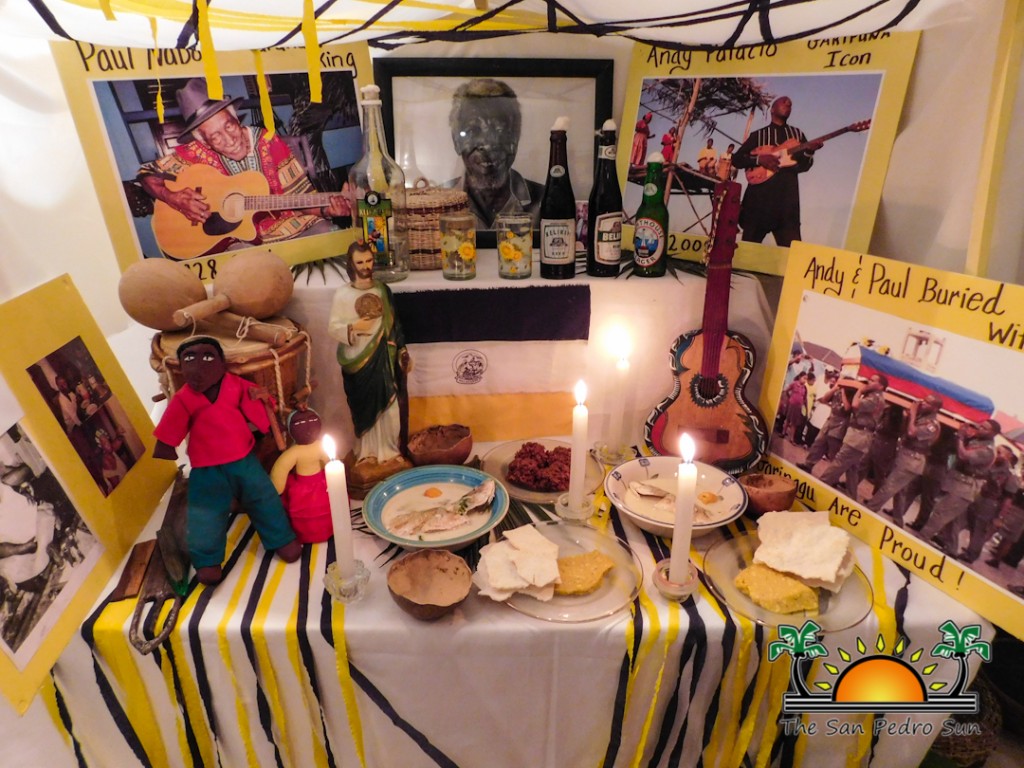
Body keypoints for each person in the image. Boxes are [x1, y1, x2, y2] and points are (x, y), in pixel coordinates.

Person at [138, 77, 349, 255]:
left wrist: (326, 208)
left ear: (236, 119)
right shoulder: (195, 152)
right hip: (237, 242)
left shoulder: (269, 142)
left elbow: (300, 195)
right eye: (215, 137)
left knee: (331, 236)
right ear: (204, 142)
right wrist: (174, 198)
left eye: (229, 126)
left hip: (287, 226)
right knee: (244, 265)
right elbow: (146, 174)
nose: (229, 140)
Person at [153, 336, 301, 585]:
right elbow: (173, 422)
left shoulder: (234, 385)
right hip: (205, 468)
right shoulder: (184, 398)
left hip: (243, 459)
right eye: (189, 358)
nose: (199, 364)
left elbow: (258, 401)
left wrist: (264, 402)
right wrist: (166, 445)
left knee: (263, 497)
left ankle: (282, 538)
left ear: (222, 362)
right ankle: (207, 559)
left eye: (208, 356)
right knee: (205, 512)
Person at [328, 241, 413, 476]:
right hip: (357, 359)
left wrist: (402, 351)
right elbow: (333, 327)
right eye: (360, 262)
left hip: (383, 357)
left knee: (390, 408)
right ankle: (367, 453)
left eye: (368, 260)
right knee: (363, 408)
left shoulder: (383, 291)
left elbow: (395, 325)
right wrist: (355, 326)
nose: (365, 266)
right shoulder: (343, 294)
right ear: (351, 264)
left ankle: (390, 452)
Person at [445, 78, 544, 230]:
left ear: (516, 139)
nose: (488, 145)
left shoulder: (546, 202)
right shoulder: (434, 206)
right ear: (456, 141)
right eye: (473, 131)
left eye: (500, 131)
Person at [731, 96, 823, 247]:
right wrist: (758, 159)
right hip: (757, 205)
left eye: (790, 104)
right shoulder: (758, 135)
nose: (788, 103)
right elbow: (737, 159)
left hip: (787, 208)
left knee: (791, 255)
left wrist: (809, 152)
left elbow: (804, 166)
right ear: (772, 110)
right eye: (783, 101)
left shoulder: (797, 135)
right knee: (747, 253)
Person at [917, 419, 1001, 553]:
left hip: (965, 487)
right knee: (952, 520)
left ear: (993, 433)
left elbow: (963, 455)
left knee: (940, 513)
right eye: (981, 426)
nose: (980, 428)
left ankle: (921, 539)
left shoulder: (987, 450)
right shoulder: (976, 441)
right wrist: (964, 437)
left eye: (985, 428)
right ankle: (951, 549)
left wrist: (961, 438)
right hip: (957, 482)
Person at [865, 395, 943, 528]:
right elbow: (904, 432)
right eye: (924, 400)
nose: (923, 403)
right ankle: (898, 521)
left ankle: (870, 509)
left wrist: (913, 413)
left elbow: (912, 433)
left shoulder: (932, 425)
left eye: (928, 403)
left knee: (890, 485)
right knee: (900, 491)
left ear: (935, 408)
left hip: (912, 459)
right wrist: (907, 417)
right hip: (905, 455)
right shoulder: (920, 418)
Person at [819, 374, 889, 501]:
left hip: (859, 436)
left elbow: (855, 405)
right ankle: (851, 496)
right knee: (852, 469)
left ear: (880, 386)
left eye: (872, 380)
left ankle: (821, 483)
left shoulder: (875, 398)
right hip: (859, 435)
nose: (868, 381)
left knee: (839, 461)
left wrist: (860, 391)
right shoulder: (873, 396)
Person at [270, 408, 332, 544]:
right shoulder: (295, 452)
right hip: (306, 487)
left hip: (317, 483)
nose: (308, 428)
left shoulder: (319, 446)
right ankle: (310, 534)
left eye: (312, 420)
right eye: (299, 423)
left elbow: (332, 461)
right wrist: (277, 489)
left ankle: (327, 530)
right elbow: (281, 468)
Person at [959, 446, 1017, 563]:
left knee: (980, 529)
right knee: (972, 524)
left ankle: (971, 554)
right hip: (981, 496)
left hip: (991, 502)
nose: (997, 454)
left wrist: (1000, 516)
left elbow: (1008, 498)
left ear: (1008, 456)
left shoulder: (1010, 475)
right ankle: (971, 548)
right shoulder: (992, 465)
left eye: (1000, 452)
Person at [797, 379, 851, 473]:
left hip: (840, 425)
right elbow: (825, 399)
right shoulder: (836, 390)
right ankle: (808, 464)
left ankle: (834, 475)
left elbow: (847, 408)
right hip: (830, 421)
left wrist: (843, 392)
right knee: (818, 443)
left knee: (834, 452)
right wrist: (834, 389)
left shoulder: (851, 393)